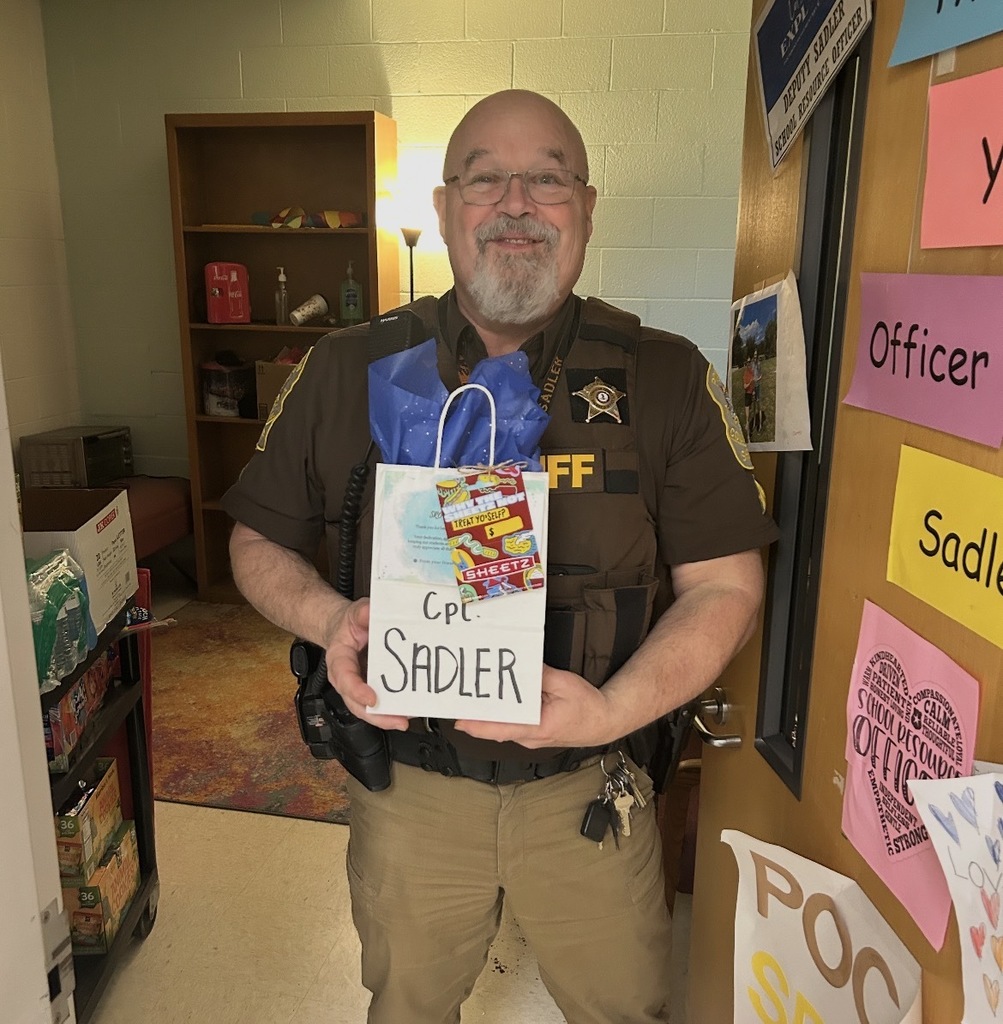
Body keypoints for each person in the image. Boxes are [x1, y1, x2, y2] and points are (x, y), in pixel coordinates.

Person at [223, 89, 778, 1024]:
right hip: (409, 794)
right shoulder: (342, 368)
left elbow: (727, 584)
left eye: (548, 179)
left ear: (586, 209)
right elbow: (255, 537)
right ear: (444, 208)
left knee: (624, 1007)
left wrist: (611, 709)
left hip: (591, 789)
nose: (516, 202)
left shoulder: (669, 377)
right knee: (404, 1005)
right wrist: (332, 620)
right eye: (485, 178)